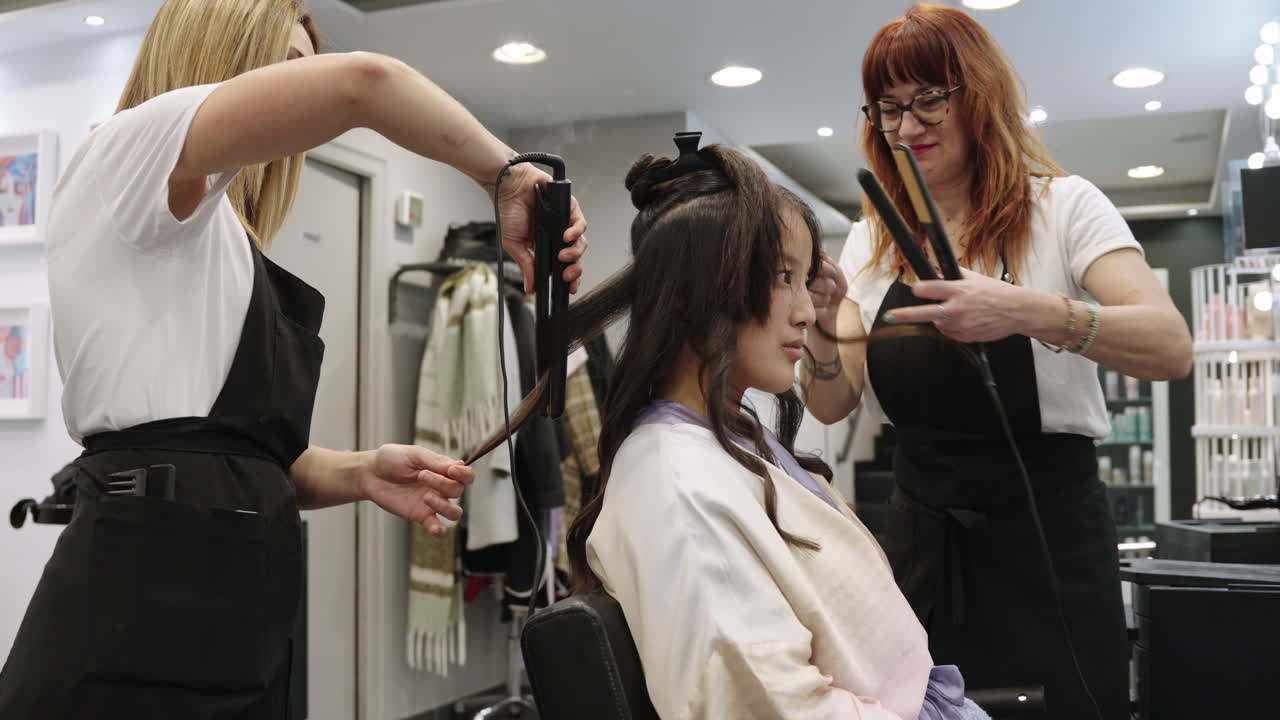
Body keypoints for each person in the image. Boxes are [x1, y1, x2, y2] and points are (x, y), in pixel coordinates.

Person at [0, 0, 587, 716]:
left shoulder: (226, 247)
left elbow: (237, 454)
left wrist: (361, 471)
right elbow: (365, 83)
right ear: (216, 53)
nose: (304, 94)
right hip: (140, 598)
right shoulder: (124, 154)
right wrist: (509, 174)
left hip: (245, 607)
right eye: (288, 68)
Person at [802, 5, 1192, 719]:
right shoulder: (872, 241)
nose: (908, 127)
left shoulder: (1066, 209)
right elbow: (832, 402)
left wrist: (1027, 311)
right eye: (890, 109)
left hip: (1049, 543)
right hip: (925, 549)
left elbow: (1170, 347)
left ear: (977, 96)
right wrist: (824, 328)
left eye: (929, 100)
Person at [556, 137, 991, 720]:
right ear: (693, 291)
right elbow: (768, 707)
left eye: (804, 278)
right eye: (781, 276)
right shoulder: (678, 486)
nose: (807, 311)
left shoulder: (731, 438)